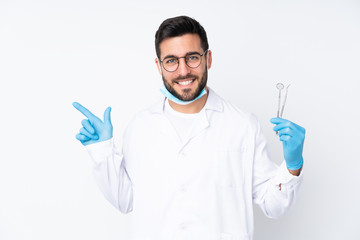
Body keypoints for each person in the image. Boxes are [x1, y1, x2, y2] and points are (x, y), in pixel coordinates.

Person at [73, 16, 305, 240]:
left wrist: (292, 165)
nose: (183, 71)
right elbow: (125, 201)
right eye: (171, 60)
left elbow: (273, 205)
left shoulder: (242, 125)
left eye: (192, 57)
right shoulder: (141, 126)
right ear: (159, 65)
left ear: (208, 59)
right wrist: (102, 152)